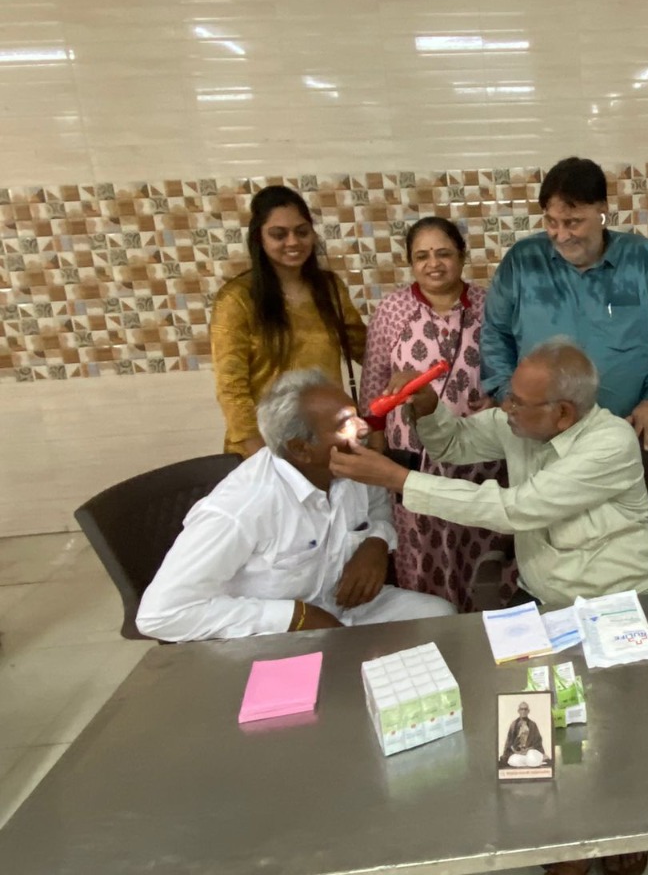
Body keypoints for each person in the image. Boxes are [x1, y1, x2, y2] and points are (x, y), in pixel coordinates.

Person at [331, 338, 648, 608]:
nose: (506, 406)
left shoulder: (610, 443)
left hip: (621, 601)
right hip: (543, 599)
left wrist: (397, 479)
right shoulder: (520, 425)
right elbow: (451, 444)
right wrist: (428, 407)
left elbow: (515, 509)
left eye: (518, 402)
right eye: (510, 394)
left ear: (563, 414)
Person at [136, 370, 455, 642]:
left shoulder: (350, 465)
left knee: (440, 617)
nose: (363, 428)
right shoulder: (244, 507)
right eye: (344, 424)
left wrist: (376, 542)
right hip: (270, 633)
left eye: (356, 414)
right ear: (301, 449)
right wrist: (294, 616)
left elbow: (377, 507)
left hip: (344, 608)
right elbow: (160, 615)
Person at [480, 156, 648, 449]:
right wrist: (506, 394)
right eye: (551, 222)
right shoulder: (523, 261)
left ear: (602, 211)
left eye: (573, 222)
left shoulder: (640, 258)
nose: (561, 235)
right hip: (540, 435)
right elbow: (495, 334)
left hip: (627, 428)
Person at [360, 216, 515, 611]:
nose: (433, 264)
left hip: (481, 456)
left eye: (443, 253)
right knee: (424, 553)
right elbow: (374, 383)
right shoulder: (393, 310)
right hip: (415, 458)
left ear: (462, 256)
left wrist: (500, 398)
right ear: (411, 263)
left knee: (483, 544)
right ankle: (435, 630)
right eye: (422, 256)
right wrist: (377, 445)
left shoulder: (490, 306)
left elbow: (512, 367)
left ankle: (489, 628)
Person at [211, 184, 366, 457]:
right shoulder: (237, 300)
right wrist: (260, 456)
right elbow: (231, 387)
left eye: (302, 232)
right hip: (263, 445)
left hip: (325, 441)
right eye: (279, 235)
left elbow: (367, 349)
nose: (293, 242)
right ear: (259, 238)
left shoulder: (330, 289)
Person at [500, 701, 547, 768]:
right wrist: (508, 755)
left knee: (531, 757)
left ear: (528, 711)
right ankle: (530, 763)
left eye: (525, 709)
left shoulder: (533, 725)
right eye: (521, 709)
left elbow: (538, 742)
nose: (523, 711)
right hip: (519, 753)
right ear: (518, 711)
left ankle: (532, 762)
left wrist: (527, 750)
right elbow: (509, 741)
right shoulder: (514, 724)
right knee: (512, 760)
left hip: (530, 752)